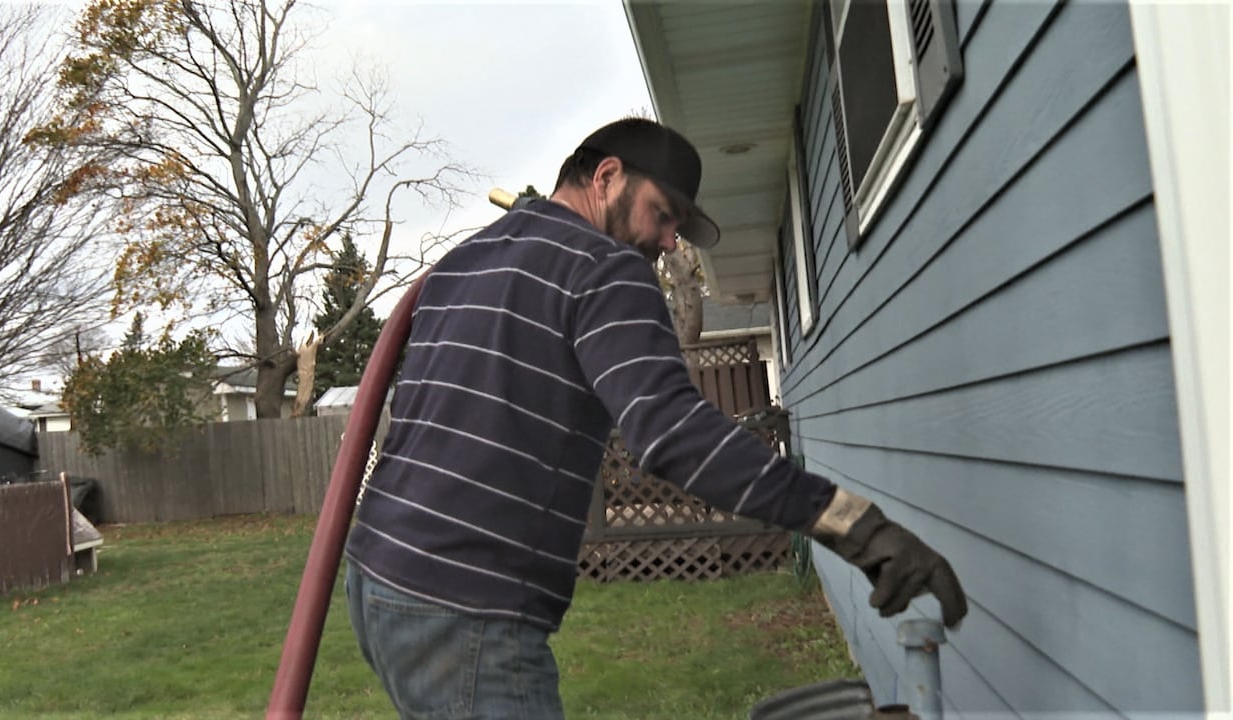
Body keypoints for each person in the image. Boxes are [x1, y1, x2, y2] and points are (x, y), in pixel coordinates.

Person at [344, 118, 967, 719]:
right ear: (607, 177)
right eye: (662, 213)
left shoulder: (465, 261)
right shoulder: (602, 267)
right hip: (465, 605)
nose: (671, 241)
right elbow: (673, 435)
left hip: (377, 576)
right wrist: (851, 524)